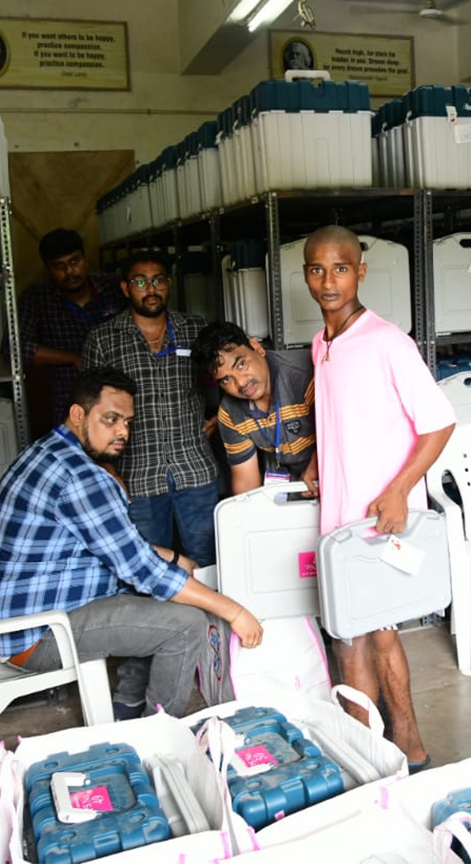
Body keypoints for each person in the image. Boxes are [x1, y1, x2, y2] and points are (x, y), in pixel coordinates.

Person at [0, 367, 262, 720]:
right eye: (110, 419)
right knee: (185, 625)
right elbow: (144, 572)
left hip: (33, 614)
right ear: (78, 414)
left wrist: (174, 557)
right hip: (39, 634)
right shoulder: (81, 477)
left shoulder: (48, 452)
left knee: (162, 587)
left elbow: (117, 545)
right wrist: (234, 611)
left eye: (127, 422)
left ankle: (127, 707)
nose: (121, 432)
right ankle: (161, 733)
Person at [303, 225, 456, 770]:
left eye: (340, 268)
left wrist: (399, 492)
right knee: (348, 637)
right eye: (317, 269)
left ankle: (405, 746)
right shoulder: (322, 343)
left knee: (381, 636)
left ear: (360, 272)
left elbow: (439, 423)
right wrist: (322, 460)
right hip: (340, 515)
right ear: (304, 275)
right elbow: (346, 413)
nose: (328, 281)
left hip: (381, 517)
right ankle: (373, 750)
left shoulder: (389, 341)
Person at [82, 251, 220, 565]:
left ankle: (213, 616)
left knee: (208, 559)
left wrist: (219, 418)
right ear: (125, 288)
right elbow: (92, 414)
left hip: (194, 467)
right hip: (137, 474)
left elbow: (226, 376)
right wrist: (107, 469)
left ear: (169, 284)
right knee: (148, 564)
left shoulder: (194, 329)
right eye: (140, 281)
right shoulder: (103, 339)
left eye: (158, 280)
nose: (151, 288)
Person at [193, 321, 318, 496]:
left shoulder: (307, 375)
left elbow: (345, 432)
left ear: (256, 347)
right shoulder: (230, 414)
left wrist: (318, 467)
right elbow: (246, 484)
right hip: (293, 481)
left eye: (241, 364)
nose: (241, 382)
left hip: (341, 469)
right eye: (226, 380)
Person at [16, 229, 126, 427]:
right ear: (48, 269)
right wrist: (73, 358)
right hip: (70, 402)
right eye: (60, 266)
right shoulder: (37, 297)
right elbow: (15, 348)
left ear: (86, 259)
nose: (70, 271)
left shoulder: (114, 288)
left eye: (74, 261)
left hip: (121, 395)